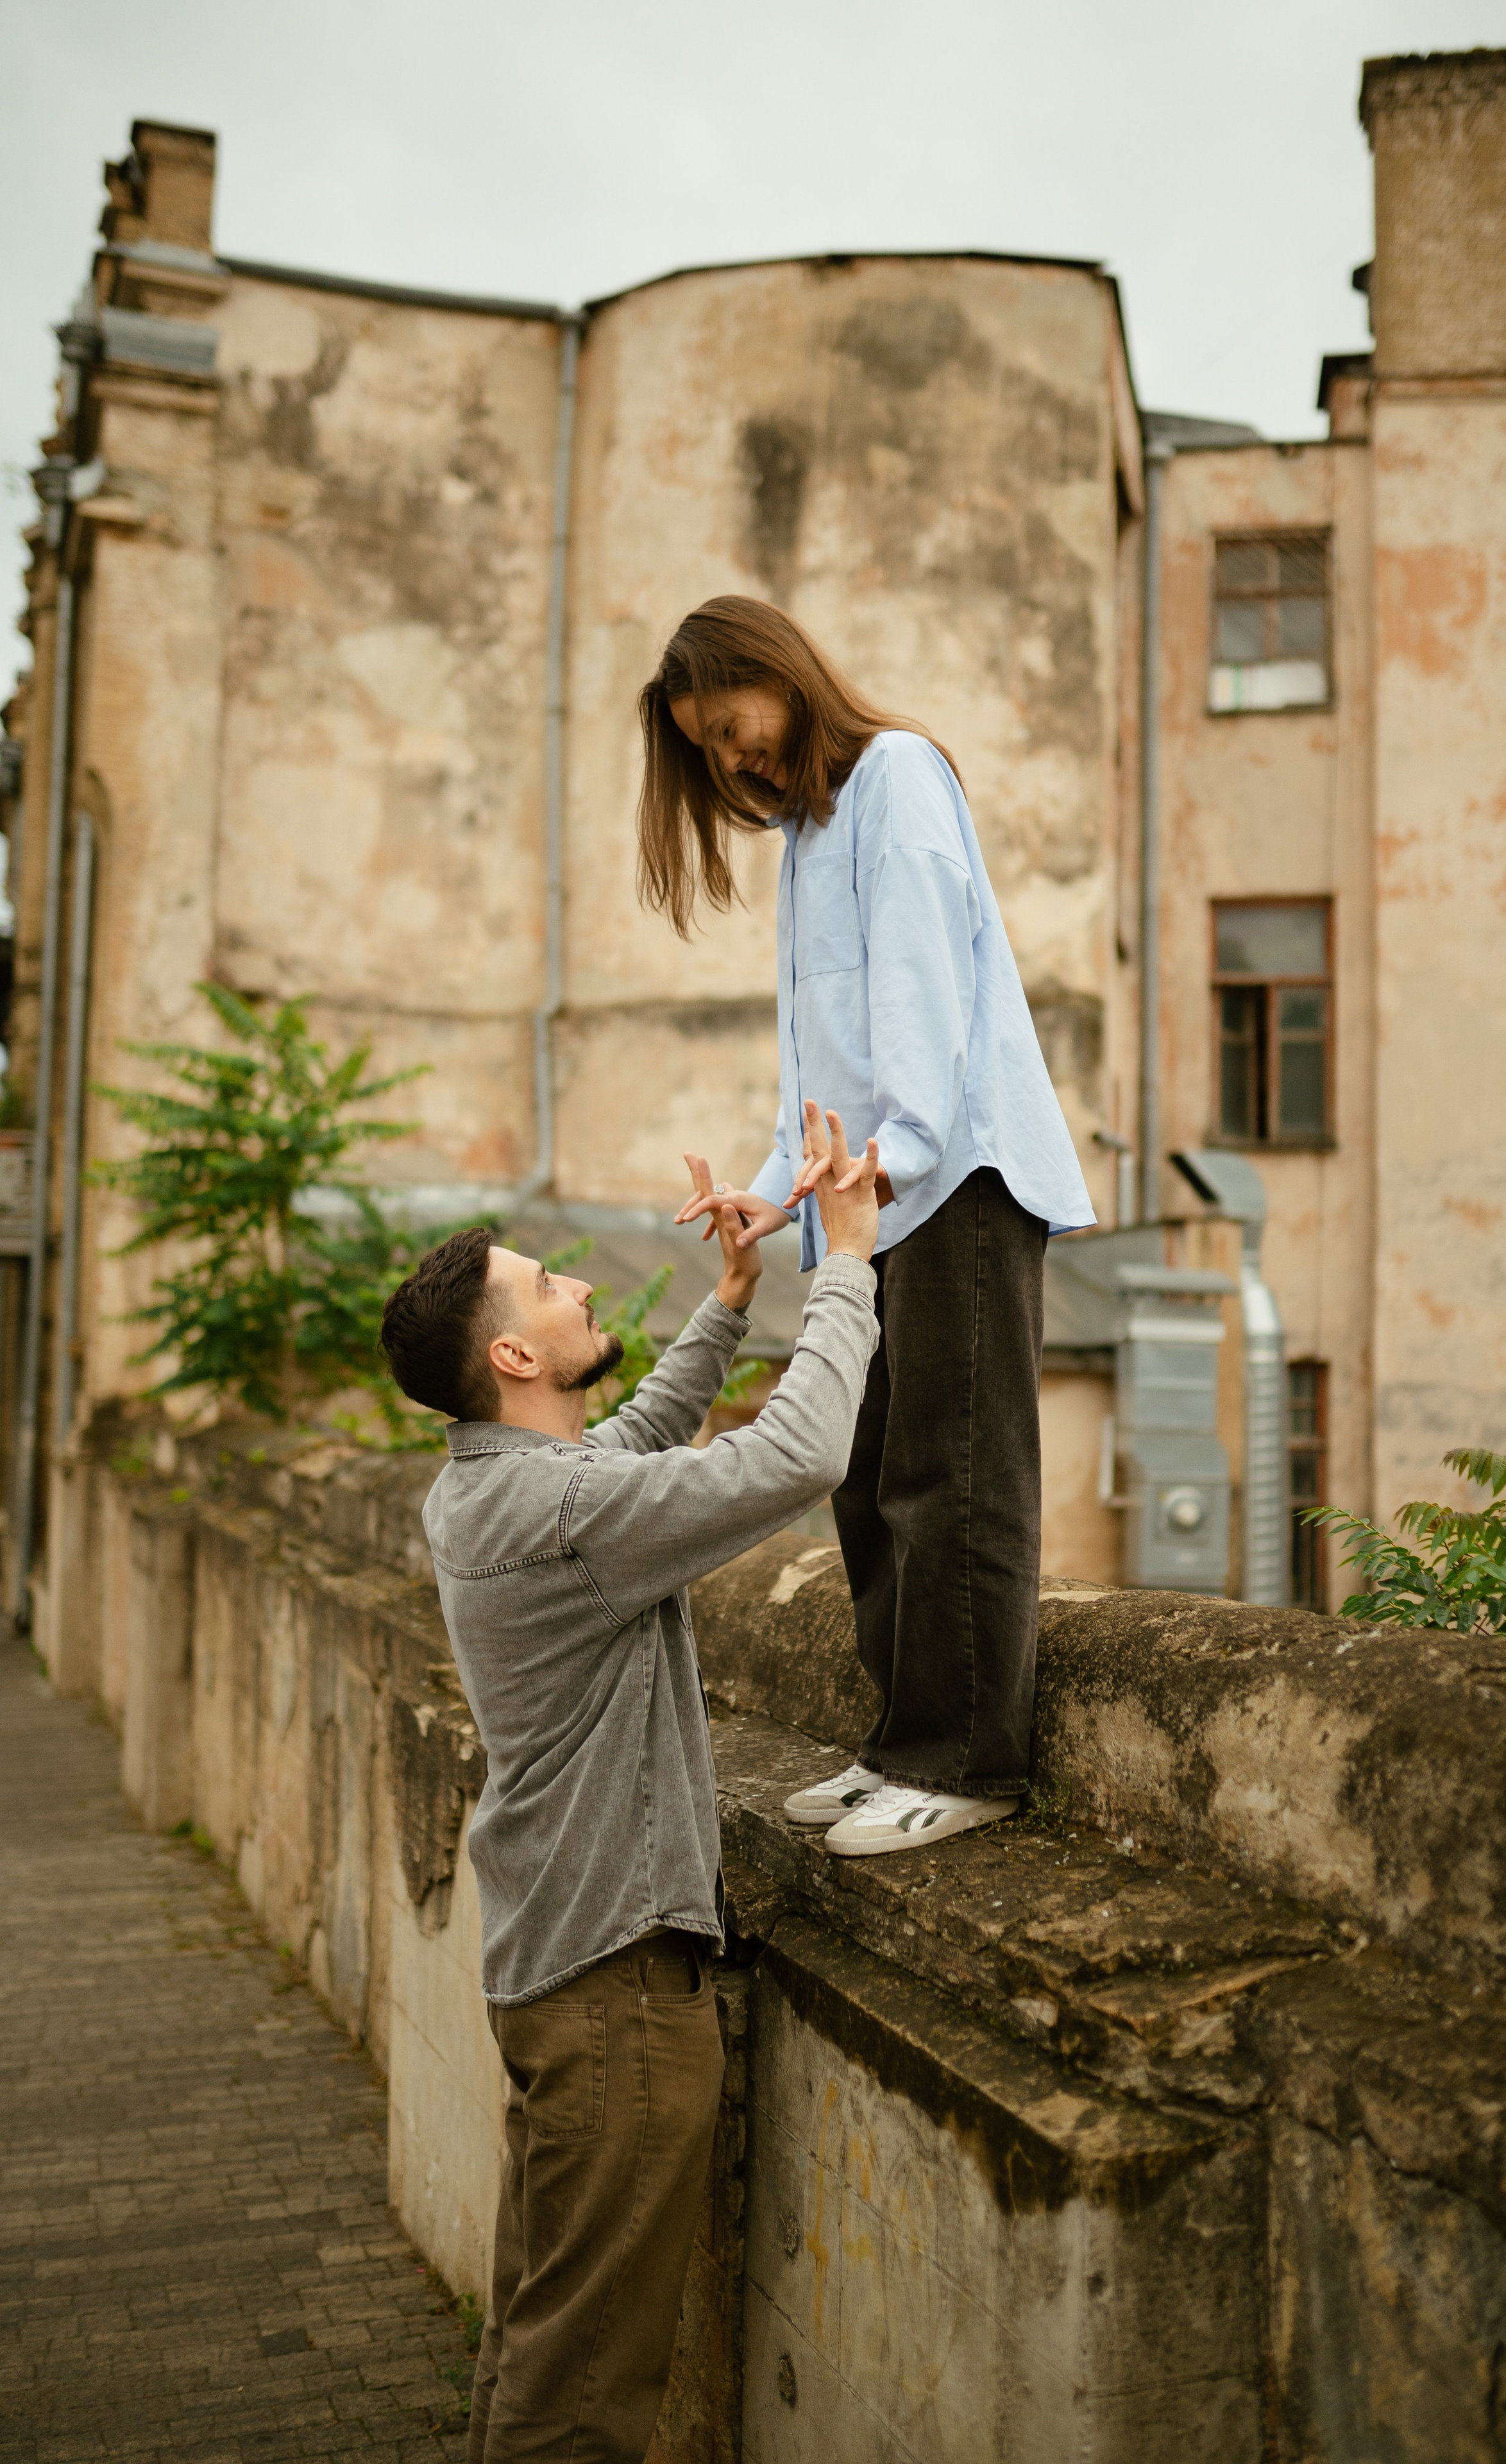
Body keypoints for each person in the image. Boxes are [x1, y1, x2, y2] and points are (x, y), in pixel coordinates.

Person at [377, 1105, 880, 2464]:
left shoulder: (490, 1486)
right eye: (552, 1285)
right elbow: (795, 1459)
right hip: (610, 1991)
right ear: (515, 1352)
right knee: (586, 2385)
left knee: (543, 2340)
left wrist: (727, 1303)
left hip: (559, 1965)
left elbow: (634, 1446)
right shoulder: (547, 1517)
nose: (584, 1280)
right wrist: (847, 1266)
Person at [643, 597, 1096, 1858]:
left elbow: (922, 1008)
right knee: (867, 1480)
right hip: (870, 1197)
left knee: (949, 1477)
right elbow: (821, 1061)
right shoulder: (807, 837)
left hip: (949, 1183)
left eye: (734, 727)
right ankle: (903, 1742)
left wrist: (879, 1167)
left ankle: (968, 1761)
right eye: (711, 750)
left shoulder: (893, 776)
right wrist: (771, 1186)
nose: (733, 761)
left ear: (781, 682)